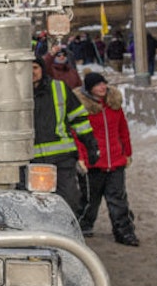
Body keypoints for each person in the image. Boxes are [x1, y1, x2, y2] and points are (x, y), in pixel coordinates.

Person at [74, 73, 139, 246]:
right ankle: (81, 226)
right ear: (89, 89)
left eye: (104, 84)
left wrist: (127, 153)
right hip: (92, 163)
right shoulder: (82, 108)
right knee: (89, 200)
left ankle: (124, 232)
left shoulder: (114, 105)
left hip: (115, 161)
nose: (102, 87)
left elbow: (123, 130)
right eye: (97, 85)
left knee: (118, 199)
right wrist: (80, 158)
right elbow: (76, 135)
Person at [32, 57, 99, 214]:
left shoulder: (59, 88)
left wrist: (90, 144)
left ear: (42, 69)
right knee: (34, 204)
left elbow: (78, 118)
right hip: (30, 159)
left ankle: (65, 233)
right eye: (26, 68)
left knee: (69, 200)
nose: (31, 72)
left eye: (35, 67)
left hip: (61, 158)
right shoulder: (16, 92)